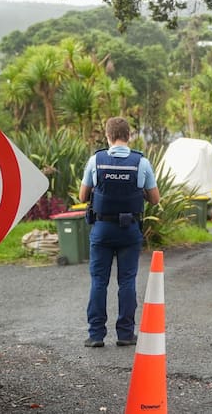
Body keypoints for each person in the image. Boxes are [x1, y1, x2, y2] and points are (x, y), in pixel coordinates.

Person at [78, 117, 160, 348]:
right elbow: (155, 199)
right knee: (127, 281)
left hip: (102, 230)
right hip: (129, 230)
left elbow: (83, 197)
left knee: (98, 282)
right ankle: (125, 334)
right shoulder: (141, 163)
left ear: (108, 135)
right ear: (129, 136)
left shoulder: (96, 160)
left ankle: (96, 335)